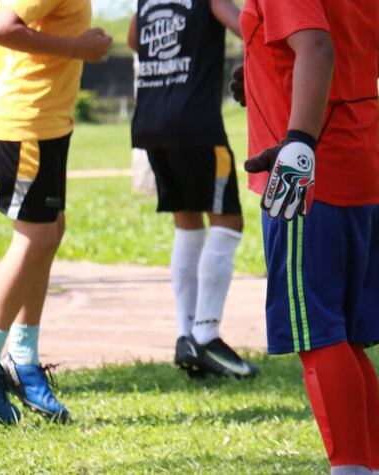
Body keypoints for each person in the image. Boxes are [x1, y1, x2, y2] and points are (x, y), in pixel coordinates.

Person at [235, 0, 379, 473]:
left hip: (308, 179)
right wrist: (265, 72)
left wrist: (300, 139)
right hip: (361, 167)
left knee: (319, 333)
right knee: (343, 335)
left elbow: (316, 47)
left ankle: (350, 467)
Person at [0, 0, 111, 425]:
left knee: (50, 230)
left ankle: (23, 358)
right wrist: (79, 48)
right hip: (25, 125)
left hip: (46, 122)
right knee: (35, 237)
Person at [128, 0, 258, 378]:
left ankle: (186, 335)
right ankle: (206, 335)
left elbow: (135, 38)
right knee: (228, 220)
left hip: (151, 123)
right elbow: (248, 27)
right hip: (196, 125)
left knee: (187, 222)